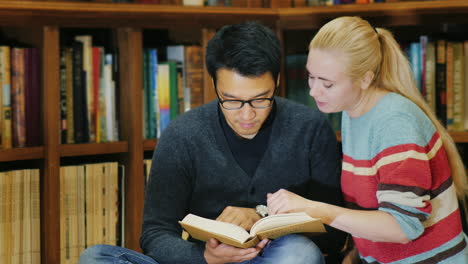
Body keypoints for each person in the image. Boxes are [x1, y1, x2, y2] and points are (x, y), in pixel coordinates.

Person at [79, 21, 346, 264]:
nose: (246, 114)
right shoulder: (183, 135)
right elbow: (155, 234)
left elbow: (335, 236)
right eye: (230, 100)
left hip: (275, 259)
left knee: (299, 254)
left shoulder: (310, 130)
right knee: (95, 258)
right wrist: (204, 257)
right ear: (214, 84)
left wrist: (261, 216)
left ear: (276, 81)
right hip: (204, 261)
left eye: (260, 99)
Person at [267, 16, 468, 264]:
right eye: (311, 77)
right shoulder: (353, 111)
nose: (313, 91)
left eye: (327, 83)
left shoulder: (395, 123)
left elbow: (402, 228)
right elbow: (372, 208)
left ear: (365, 79)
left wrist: (315, 209)